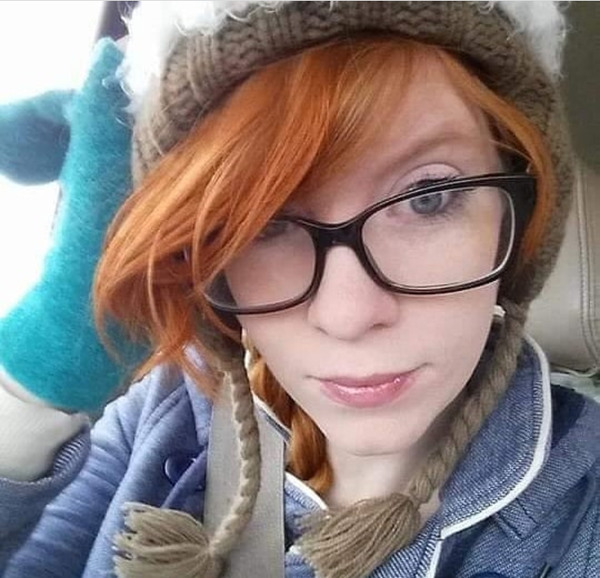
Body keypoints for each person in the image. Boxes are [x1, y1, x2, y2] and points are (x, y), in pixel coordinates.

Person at [1, 2, 599, 577]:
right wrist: (39, 376)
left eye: (428, 198)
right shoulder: (161, 415)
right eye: (265, 223)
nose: (347, 314)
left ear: (521, 214)